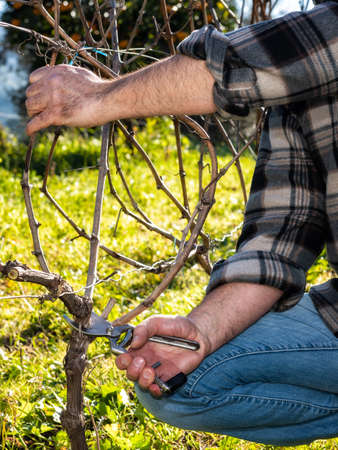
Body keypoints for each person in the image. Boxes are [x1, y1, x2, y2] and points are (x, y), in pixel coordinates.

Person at [25, 0, 338, 445]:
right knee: (180, 385)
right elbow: (278, 239)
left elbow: (235, 65)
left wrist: (98, 96)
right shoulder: (300, 97)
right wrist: (203, 332)